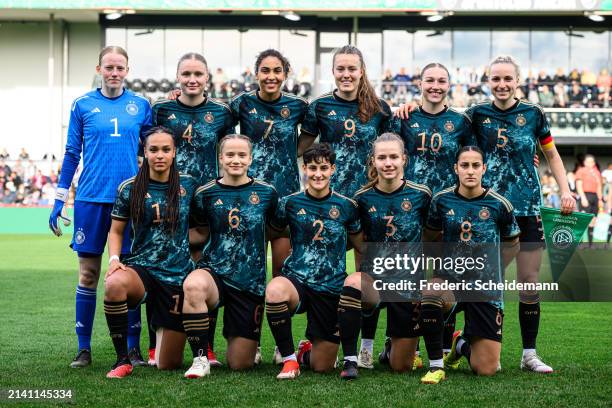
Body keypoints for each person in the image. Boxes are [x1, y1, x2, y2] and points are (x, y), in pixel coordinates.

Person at [464, 55, 575, 373]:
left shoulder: (534, 113)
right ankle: (468, 341)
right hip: (488, 212)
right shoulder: (475, 115)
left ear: (518, 81)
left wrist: (565, 190)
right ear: (487, 82)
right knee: (481, 281)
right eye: (495, 79)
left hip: (527, 211)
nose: (501, 85)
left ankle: (529, 354)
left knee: (529, 282)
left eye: (507, 79)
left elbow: (551, 155)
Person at [48, 46, 152, 369]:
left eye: (120, 67)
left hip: (131, 202)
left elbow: (154, 149)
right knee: (89, 273)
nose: (114, 73)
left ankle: (133, 349)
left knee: (129, 274)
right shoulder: (82, 105)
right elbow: (71, 153)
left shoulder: (142, 106)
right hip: (91, 199)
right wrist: (59, 197)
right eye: (109, 67)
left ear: (127, 70)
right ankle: (84, 349)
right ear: (99, 68)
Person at [153, 52, 235, 365]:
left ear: (207, 79)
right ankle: (154, 343)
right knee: (162, 269)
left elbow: (231, 150)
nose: (192, 80)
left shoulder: (221, 112)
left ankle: (207, 347)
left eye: (198, 74)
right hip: (169, 201)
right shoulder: (161, 109)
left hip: (206, 203)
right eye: (186, 74)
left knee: (204, 270)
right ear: (178, 77)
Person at [103, 126, 198, 378]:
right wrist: (114, 260)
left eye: (166, 150)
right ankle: (122, 359)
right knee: (114, 284)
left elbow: (203, 229)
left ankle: (161, 339)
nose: (159, 155)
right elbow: (115, 231)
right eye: (153, 149)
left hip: (177, 275)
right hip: (142, 269)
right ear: (144, 152)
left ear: (174, 152)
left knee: (168, 364)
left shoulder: (189, 185)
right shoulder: (129, 188)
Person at [180, 134, 278, 378]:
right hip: (215, 273)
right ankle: (200, 358)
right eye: (230, 155)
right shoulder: (205, 194)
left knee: (240, 364)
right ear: (220, 158)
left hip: (249, 281)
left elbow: (278, 230)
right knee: (193, 285)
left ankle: (246, 344)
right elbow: (198, 232)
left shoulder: (267, 193)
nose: (236, 160)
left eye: (242, 155)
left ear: (251, 159)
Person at [337, 133, 431, 380]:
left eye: (393, 157)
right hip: (375, 282)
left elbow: (434, 238)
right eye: (382, 158)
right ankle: (351, 359)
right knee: (353, 283)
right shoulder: (362, 198)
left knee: (401, 367)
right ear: (373, 161)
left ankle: (391, 347)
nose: (388, 163)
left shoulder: (422, 195)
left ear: (404, 159)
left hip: (408, 285)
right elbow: (359, 244)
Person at [266, 143, 362, 380]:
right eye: (312, 168)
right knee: (276, 290)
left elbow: (359, 243)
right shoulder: (289, 203)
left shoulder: (347, 206)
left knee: (322, 366)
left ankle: (305, 353)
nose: (318, 174)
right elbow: (274, 234)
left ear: (333, 169)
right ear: (304, 169)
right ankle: (289, 361)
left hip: (330, 285)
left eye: (323, 168)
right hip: (298, 281)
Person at [425, 146, 520, 378]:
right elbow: (430, 238)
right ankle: (436, 365)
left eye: (476, 165)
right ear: (456, 168)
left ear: (484, 169)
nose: (470, 171)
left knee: (486, 369)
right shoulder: (441, 200)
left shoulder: (500, 204)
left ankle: (460, 345)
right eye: (464, 165)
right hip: (451, 284)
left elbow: (513, 243)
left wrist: (494, 271)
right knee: (431, 292)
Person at [230, 49, 308, 279]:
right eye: (265, 71)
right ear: (256, 74)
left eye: (277, 71)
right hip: (248, 196)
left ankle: (278, 314)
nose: (270, 76)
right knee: (249, 272)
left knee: (282, 273)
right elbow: (216, 121)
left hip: (285, 196)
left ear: (286, 74)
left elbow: (313, 131)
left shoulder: (299, 106)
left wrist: (292, 153)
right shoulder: (241, 103)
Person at [298, 45, 394, 198]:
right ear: (333, 71)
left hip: (370, 193)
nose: (346, 74)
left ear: (361, 72)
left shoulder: (379, 107)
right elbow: (299, 150)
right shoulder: (319, 106)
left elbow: (393, 150)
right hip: (330, 194)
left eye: (352, 69)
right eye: (340, 69)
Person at [575, 154, 603, 247]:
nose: (590, 163)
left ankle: (590, 244)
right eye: (588, 161)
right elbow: (579, 185)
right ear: (584, 162)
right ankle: (580, 243)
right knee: (582, 220)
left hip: (595, 197)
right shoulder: (581, 171)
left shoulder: (597, 172)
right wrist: (583, 198)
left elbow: (599, 186)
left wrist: (600, 199)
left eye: (592, 161)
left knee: (593, 220)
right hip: (585, 196)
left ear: (594, 163)